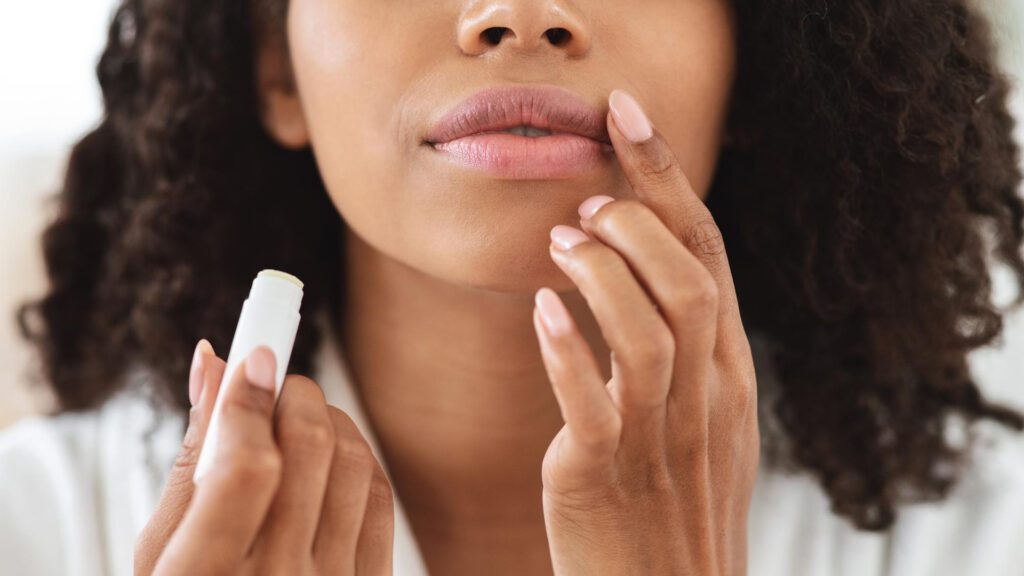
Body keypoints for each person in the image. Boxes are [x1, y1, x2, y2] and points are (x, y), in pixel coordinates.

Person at [2, 0, 1024, 574]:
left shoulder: (990, 541)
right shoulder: (32, 528)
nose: (520, 15)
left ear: (758, 59)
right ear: (276, 69)